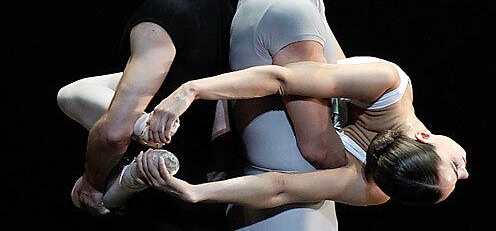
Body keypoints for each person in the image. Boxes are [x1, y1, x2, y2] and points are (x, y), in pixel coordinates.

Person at [57, 0, 234, 229]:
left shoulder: (164, 14)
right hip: (199, 195)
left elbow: (116, 131)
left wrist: (90, 181)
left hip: (161, 204)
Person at [195, 0, 354, 230]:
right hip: (288, 216)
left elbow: (348, 89)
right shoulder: (283, 6)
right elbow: (317, 144)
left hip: (303, 206)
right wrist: (388, 168)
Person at [144, 56, 469, 207]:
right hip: (299, 55)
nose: (466, 172)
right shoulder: (387, 85)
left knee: (319, 150)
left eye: (457, 169)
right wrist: (191, 91)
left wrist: (196, 192)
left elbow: (282, 186)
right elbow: (282, 78)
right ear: (422, 138)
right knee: (316, 142)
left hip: (277, 108)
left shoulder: (372, 187)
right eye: (456, 167)